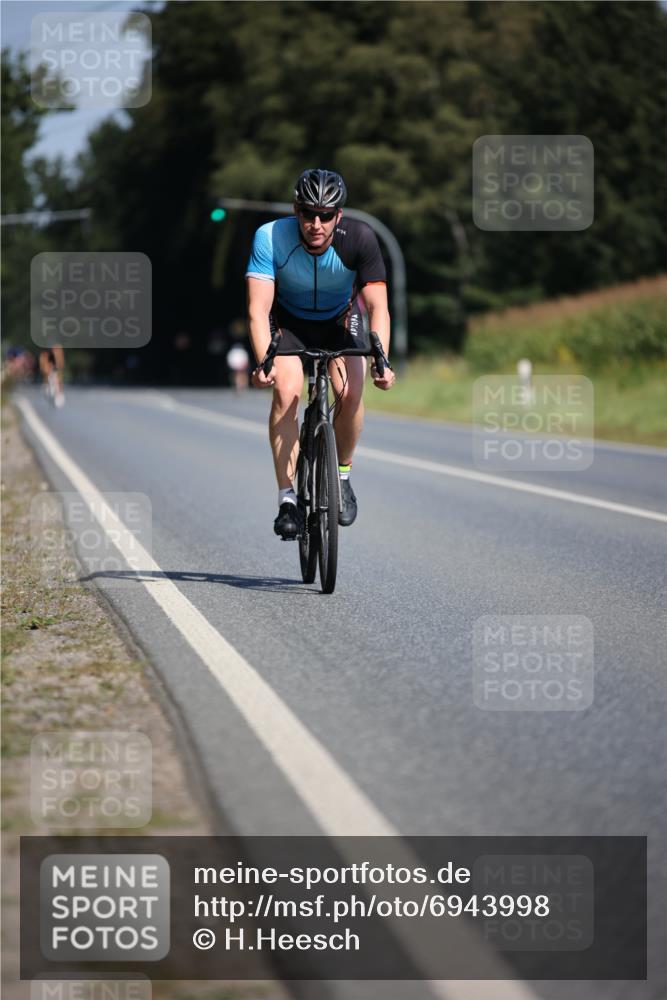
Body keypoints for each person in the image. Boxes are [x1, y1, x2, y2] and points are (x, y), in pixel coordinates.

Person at [246, 168, 396, 539]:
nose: (316, 223)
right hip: (290, 322)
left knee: (350, 392)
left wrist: (383, 361)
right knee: (287, 392)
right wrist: (264, 359)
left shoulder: (360, 237)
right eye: (308, 213)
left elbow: (378, 308)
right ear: (295, 210)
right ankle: (287, 499)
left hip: (341, 320)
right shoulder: (269, 237)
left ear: (338, 216)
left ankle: (341, 476)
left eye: (326, 215)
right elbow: (257, 309)